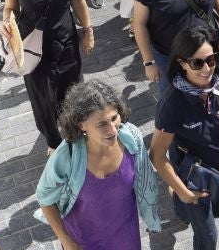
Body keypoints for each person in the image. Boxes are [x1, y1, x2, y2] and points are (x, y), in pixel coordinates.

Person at [0, 0, 94, 151]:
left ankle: (77, 138)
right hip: (35, 51)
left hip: (67, 44)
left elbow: (78, 0)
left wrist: (88, 30)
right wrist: (7, 24)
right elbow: (10, 7)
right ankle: (54, 145)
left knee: (74, 96)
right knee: (45, 102)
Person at [150, 26, 219, 250]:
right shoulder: (173, 103)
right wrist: (184, 192)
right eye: (197, 63)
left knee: (218, 212)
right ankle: (181, 202)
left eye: (211, 60)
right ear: (182, 63)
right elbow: (156, 155)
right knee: (208, 238)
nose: (207, 69)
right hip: (193, 181)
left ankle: (181, 208)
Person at [35, 80, 161, 249]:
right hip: (82, 242)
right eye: (102, 124)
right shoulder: (66, 156)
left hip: (126, 238)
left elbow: (146, 183)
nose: (113, 130)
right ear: (81, 125)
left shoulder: (132, 137)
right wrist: (67, 241)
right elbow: (45, 200)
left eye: (114, 118)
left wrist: (151, 218)